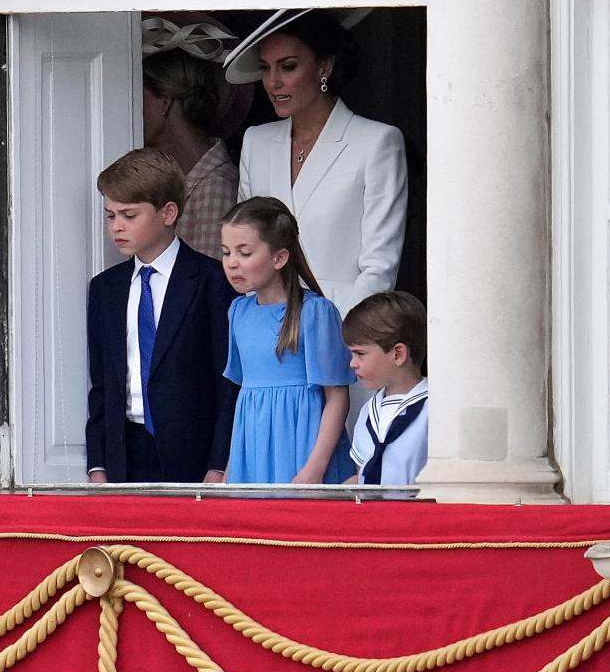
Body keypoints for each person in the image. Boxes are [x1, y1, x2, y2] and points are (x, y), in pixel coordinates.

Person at [224, 8, 408, 318]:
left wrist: (338, 333)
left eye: (288, 67)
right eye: (265, 68)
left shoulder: (376, 142)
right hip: (266, 326)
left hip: (342, 327)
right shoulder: (256, 142)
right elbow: (243, 243)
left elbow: (379, 267)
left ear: (325, 67)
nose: (273, 82)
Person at [85, 147, 238, 484]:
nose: (117, 227)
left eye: (129, 215)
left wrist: (219, 462)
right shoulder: (105, 289)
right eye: (111, 216)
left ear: (168, 213)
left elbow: (227, 381)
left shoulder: (211, 281)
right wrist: (98, 464)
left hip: (193, 452)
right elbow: (102, 383)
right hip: (125, 451)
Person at [220, 196, 356, 484]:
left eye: (244, 253)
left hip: (302, 447)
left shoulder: (315, 312)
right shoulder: (237, 312)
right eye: (226, 252)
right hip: (254, 451)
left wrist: (314, 469)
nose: (232, 263)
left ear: (279, 257)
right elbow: (244, 398)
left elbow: (337, 397)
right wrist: (232, 468)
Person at [142, 15, 251, 260]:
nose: (132, 108)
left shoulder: (215, 187)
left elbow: (207, 284)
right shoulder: (182, 178)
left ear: (165, 103)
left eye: (140, 97)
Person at [342, 291, 429, 485]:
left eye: (360, 354)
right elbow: (362, 474)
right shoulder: (368, 412)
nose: (352, 364)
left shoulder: (433, 409)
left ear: (398, 354)